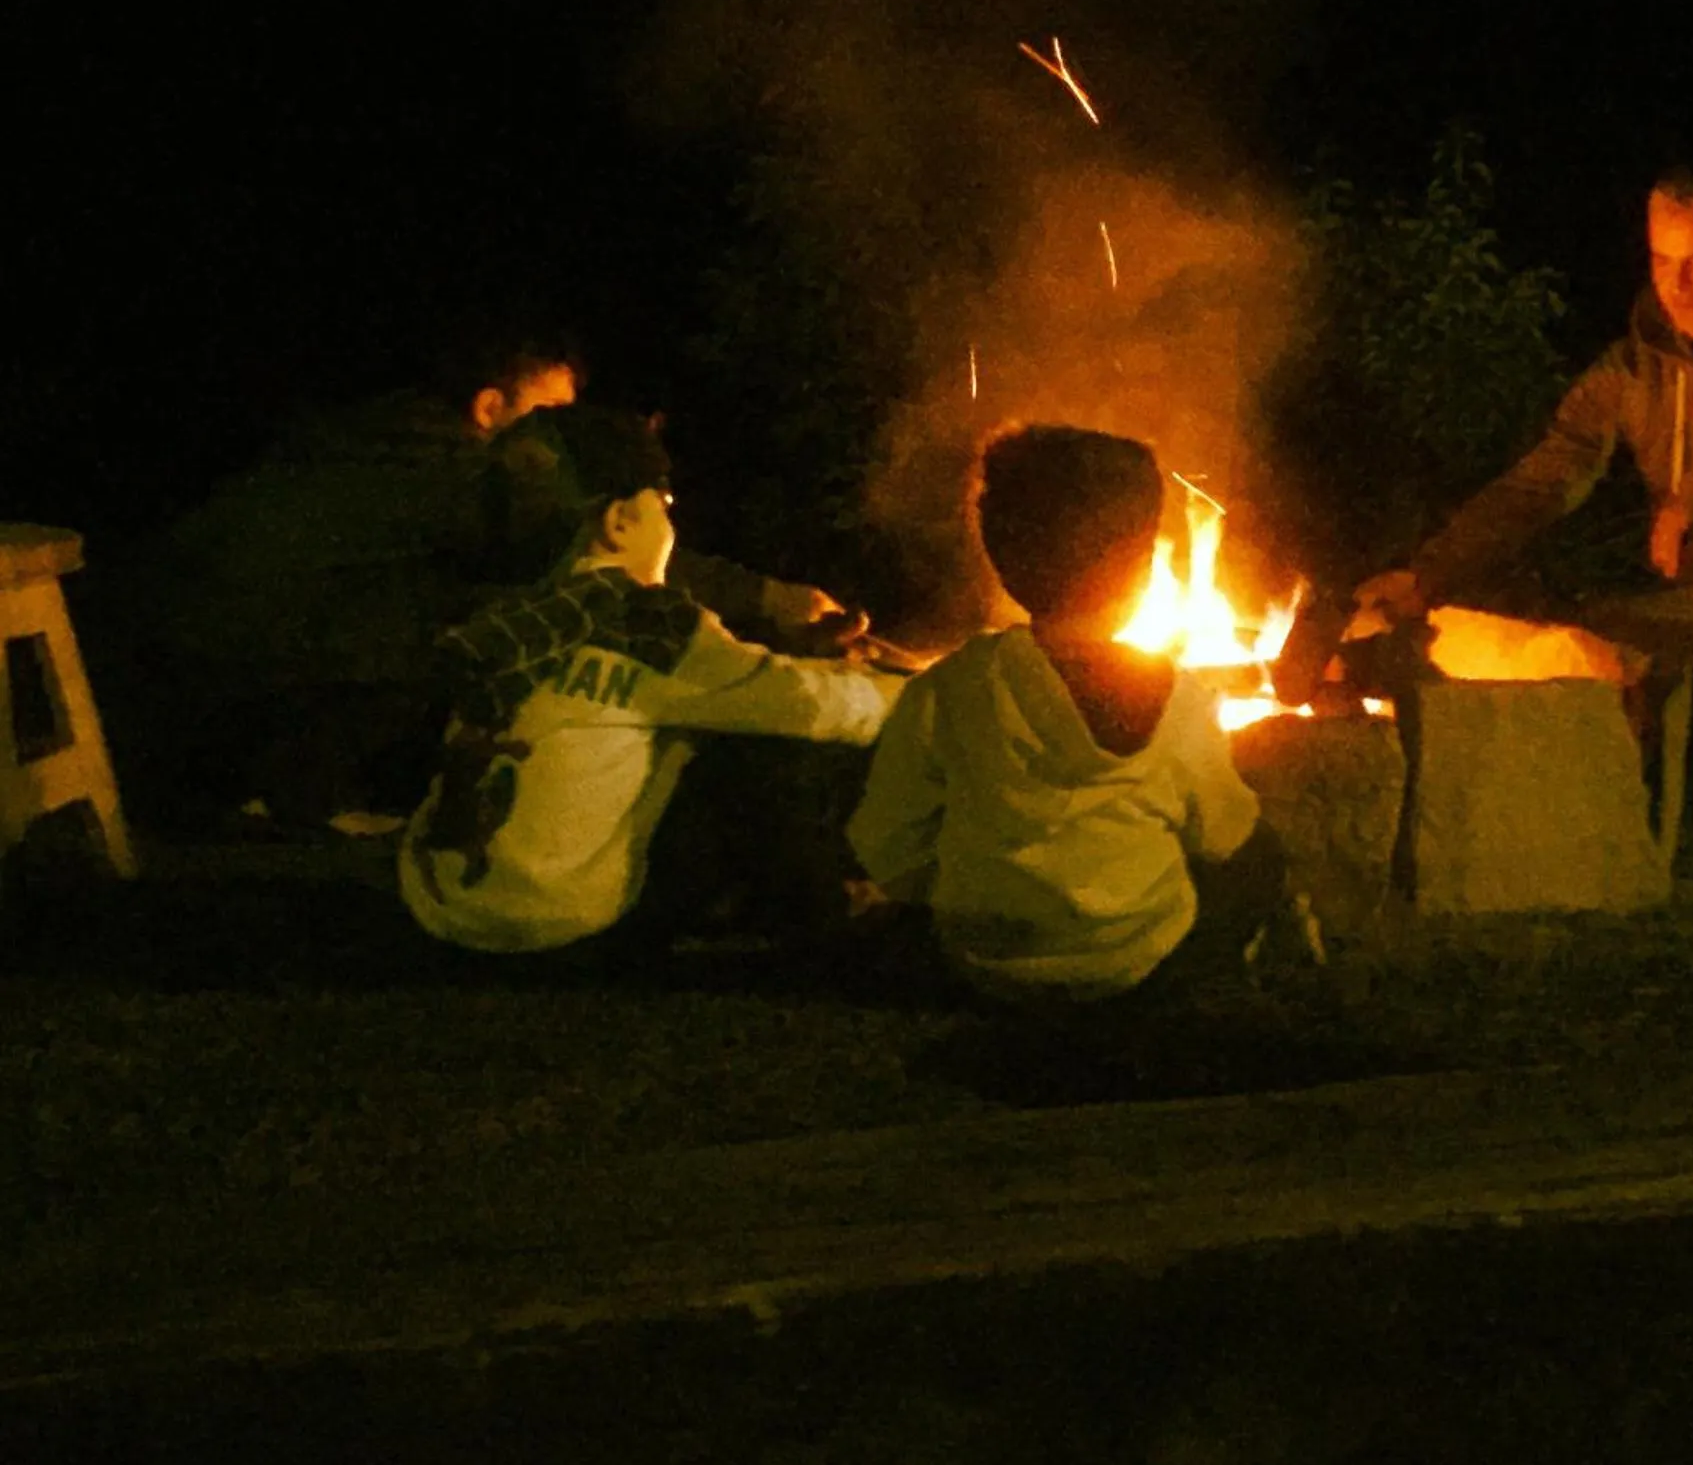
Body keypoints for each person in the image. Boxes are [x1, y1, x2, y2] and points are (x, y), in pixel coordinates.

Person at [114, 334, 863, 831]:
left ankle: (287, 788)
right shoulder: (467, 472)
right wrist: (767, 599)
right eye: (552, 416)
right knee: (492, 632)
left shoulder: (383, 440)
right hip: (242, 646)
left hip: (176, 640)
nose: (567, 439)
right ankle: (306, 795)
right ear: (489, 407)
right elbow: (595, 556)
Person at [1356, 167, 1693, 791]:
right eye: (1663, 260)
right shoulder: (1635, 369)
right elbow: (1545, 480)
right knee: (1571, 643)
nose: (1679, 284)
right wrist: (1429, 574)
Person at [399, 406, 902, 958]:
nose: (670, 523)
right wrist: (913, 691)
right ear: (618, 523)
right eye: (663, 506)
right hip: (561, 916)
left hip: (437, 900)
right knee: (754, 736)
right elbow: (813, 705)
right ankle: (805, 908)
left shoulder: (503, 616)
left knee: (704, 703)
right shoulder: (648, 626)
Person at [845, 424, 1288, 1002]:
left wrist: (949, 892)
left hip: (985, 960)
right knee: (1260, 857)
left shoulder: (952, 687)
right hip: (1133, 958)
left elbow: (888, 840)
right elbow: (1226, 834)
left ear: (1002, 558)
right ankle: (1203, 982)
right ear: (1144, 563)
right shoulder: (1180, 698)